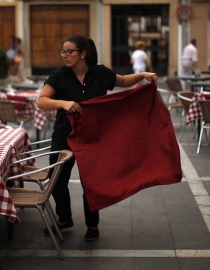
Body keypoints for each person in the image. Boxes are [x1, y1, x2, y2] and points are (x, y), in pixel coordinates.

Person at [37, 35, 158, 241]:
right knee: (57, 180)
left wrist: (142, 75)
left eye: (69, 51)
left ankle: (92, 225)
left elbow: (122, 81)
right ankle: (64, 218)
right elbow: (42, 100)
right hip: (63, 137)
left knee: (91, 183)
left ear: (82, 54)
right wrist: (63, 103)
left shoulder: (100, 73)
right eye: (63, 52)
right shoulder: (59, 75)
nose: (64, 55)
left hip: (93, 138)